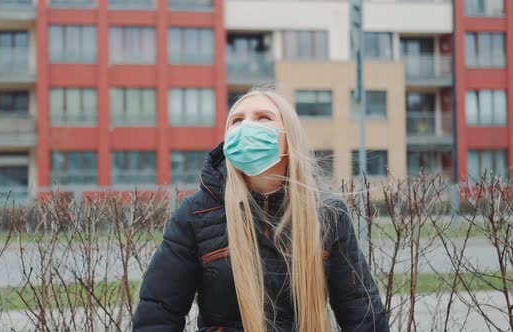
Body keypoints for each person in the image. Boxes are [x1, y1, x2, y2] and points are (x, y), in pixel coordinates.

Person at [133, 88, 389, 331]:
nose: (246, 127)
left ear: (290, 141)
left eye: (263, 117)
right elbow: (159, 312)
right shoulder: (196, 213)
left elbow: (362, 314)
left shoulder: (329, 214)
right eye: (236, 120)